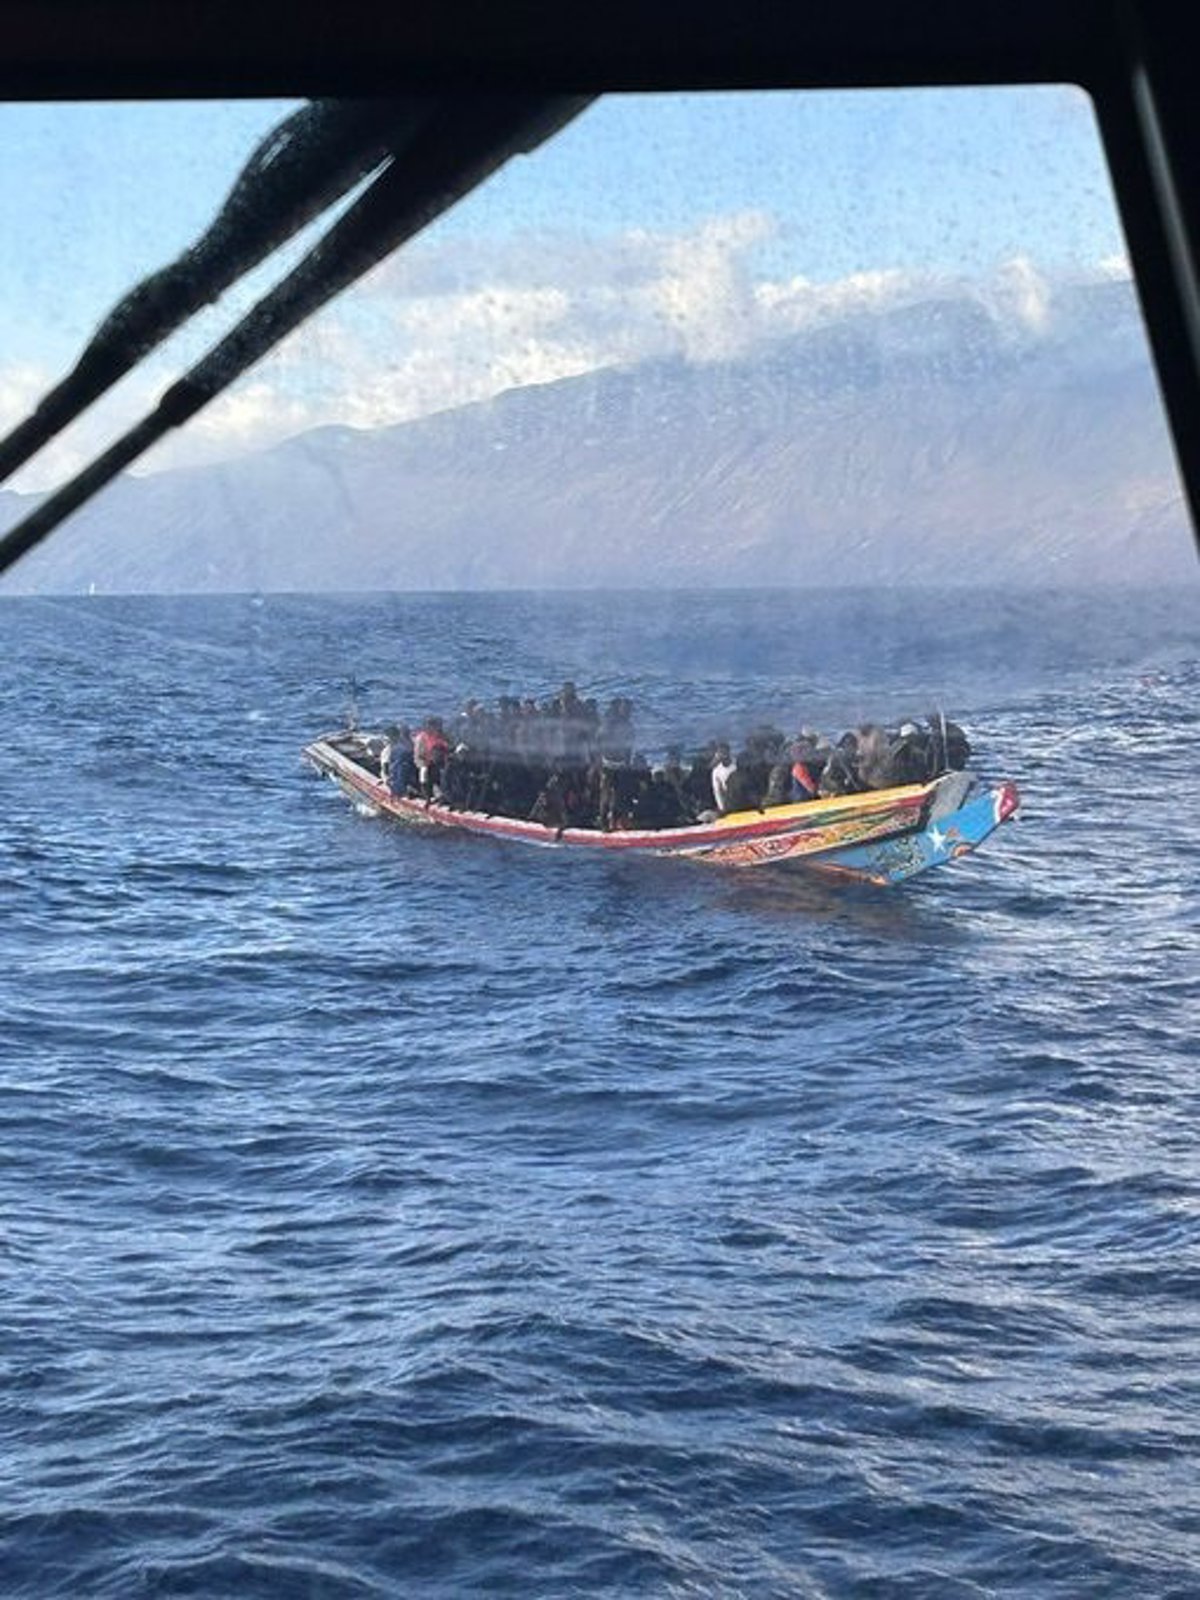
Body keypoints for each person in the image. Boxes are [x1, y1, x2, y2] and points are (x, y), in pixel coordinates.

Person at [710, 741, 737, 812]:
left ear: (729, 752)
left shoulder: (738, 764)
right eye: (720, 753)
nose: (723, 755)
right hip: (729, 802)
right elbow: (717, 792)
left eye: (724, 752)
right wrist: (722, 808)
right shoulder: (716, 771)